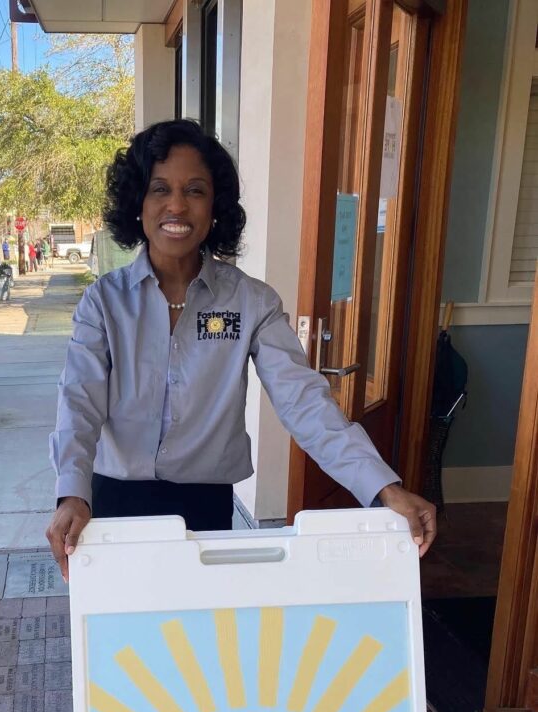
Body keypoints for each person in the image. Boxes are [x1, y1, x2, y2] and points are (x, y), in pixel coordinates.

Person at [46, 119, 436, 581]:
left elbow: (304, 402)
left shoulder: (251, 303)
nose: (176, 205)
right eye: (159, 189)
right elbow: (80, 401)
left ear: (216, 208)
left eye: (195, 190)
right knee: (123, 645)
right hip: (112, 503)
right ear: (138, 203)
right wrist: (72, 492)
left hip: (206, 507)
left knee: (200, 643)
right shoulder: (104, 302)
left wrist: (382, 487)